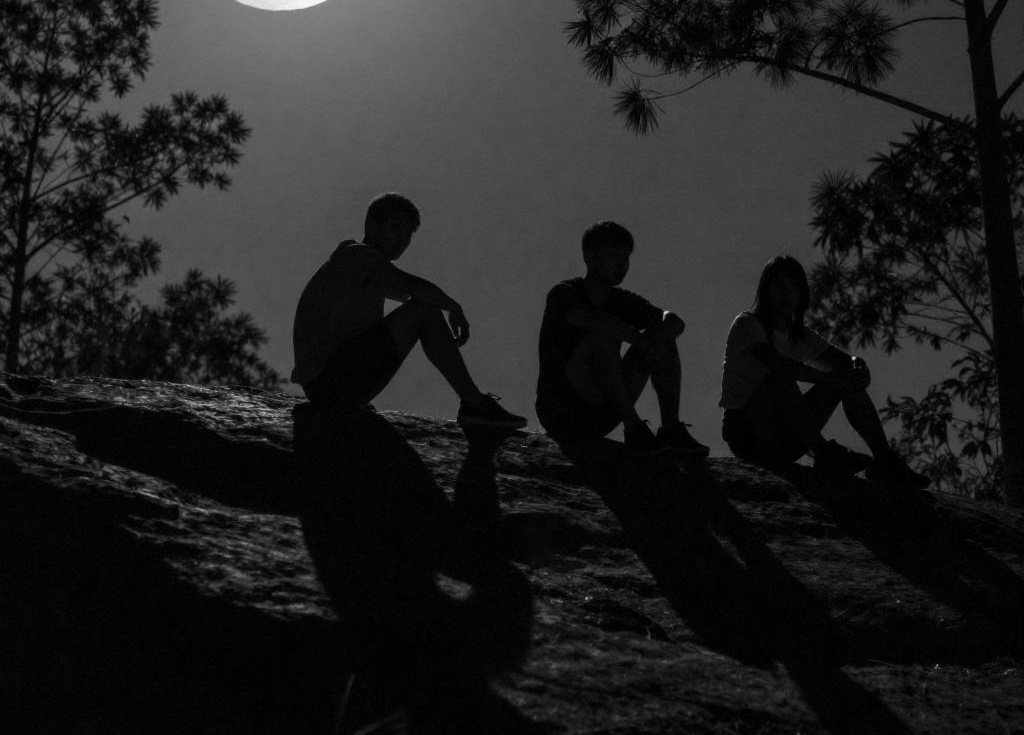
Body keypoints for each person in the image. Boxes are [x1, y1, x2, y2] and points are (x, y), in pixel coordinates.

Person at [292, 192, 525, 430]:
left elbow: (407, 291)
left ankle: (473, 403)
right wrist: (453, 307)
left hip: (334, 383)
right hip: (328, 380)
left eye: (407, 235)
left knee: (424, 308)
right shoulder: (356, 255)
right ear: (371, 225)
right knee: (425, 311)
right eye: (396, 228)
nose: (402, 240)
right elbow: (414, 288)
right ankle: (474, 403)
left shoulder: (368, 273)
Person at [719, 254, 928, 488]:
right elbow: (777, 364)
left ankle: (884, 460)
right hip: (747, 432)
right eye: (779, 285)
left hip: (787, 438)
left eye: (793, 287)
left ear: (801, 294)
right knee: (781, 376)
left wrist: (857, 365)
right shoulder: (747, 324)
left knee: (846, 377)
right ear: (765, 289)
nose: (786, 293)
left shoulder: (800, 336)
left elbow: (844, 362)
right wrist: (832, 380)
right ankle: (823, 452)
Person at [535, 220, 709, 457]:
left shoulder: (622, 300)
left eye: (625, 257)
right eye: (612, 255)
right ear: (589, 257)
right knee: (601, 338)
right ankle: (634, 428)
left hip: (603, 412)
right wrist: (640, 340)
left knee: (663, 338)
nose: (621, 264)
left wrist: (654, 336)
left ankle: (670, 428)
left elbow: (673, 322)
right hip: (560, 410)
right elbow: (590, 319)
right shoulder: (565, 293)